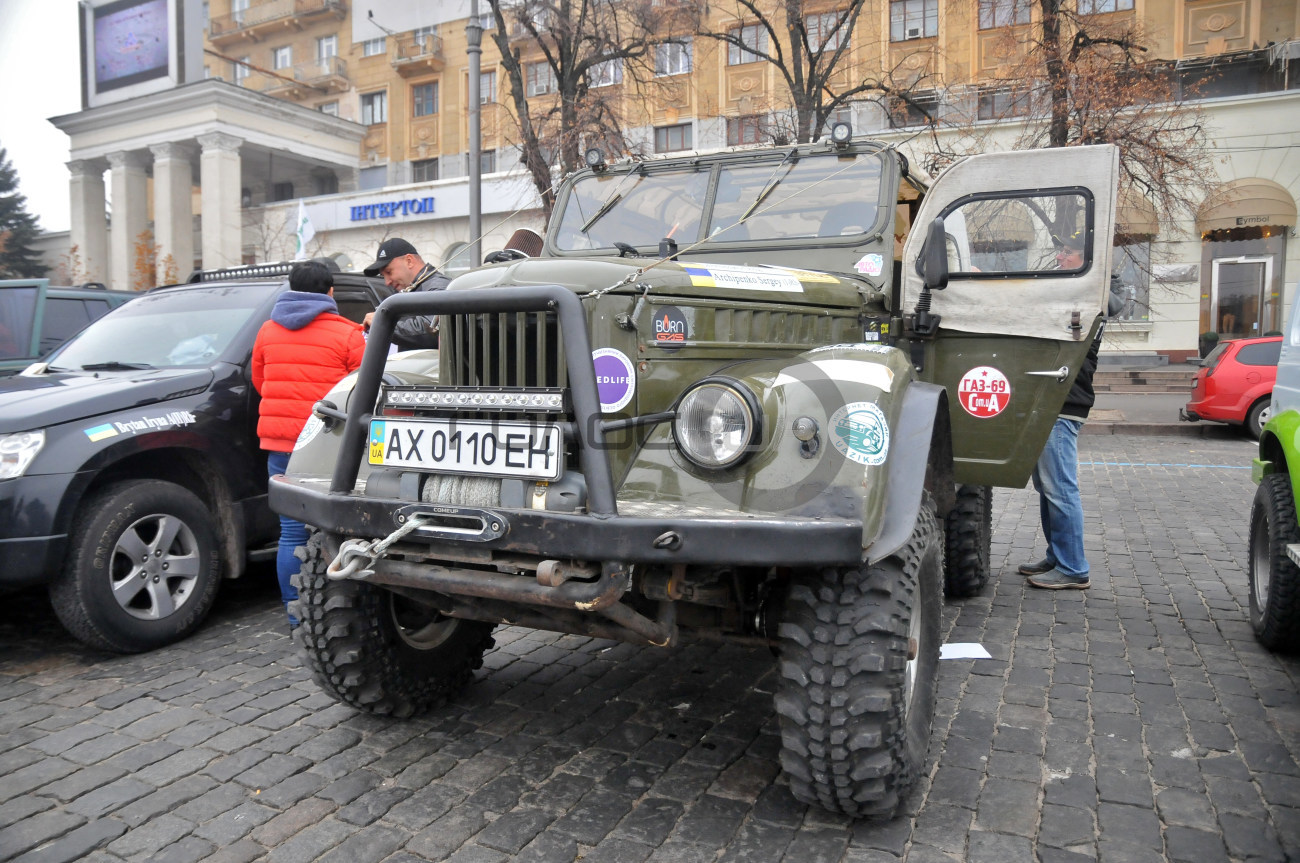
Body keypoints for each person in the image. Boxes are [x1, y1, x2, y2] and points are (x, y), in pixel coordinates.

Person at [251, 261, 366, 628]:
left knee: (290, 531)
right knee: (340, 528)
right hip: (328, 444)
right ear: (330, 292)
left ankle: (294, 613)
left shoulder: (267, 331)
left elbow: (259, 378)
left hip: (280, 443)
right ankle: (342, 611)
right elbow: (364, 390)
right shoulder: (348, 334)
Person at [1020, 240, 1121, 590]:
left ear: (1090, 263)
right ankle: (1058, 555)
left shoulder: (1091, 296)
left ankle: (1073, 566)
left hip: (1063, 402)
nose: (1061, 257)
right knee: (1049, 486)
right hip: (1056, 400)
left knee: (1060, 487)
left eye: (1070, 254)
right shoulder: (1081, 294)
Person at [361, 237, 450, 350]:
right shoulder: (411, 290)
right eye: (383, 276)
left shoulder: (439, 285)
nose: (387, 282)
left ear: (409, 261)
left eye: (389, 272)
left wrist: (383, 323)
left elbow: (432, 330)